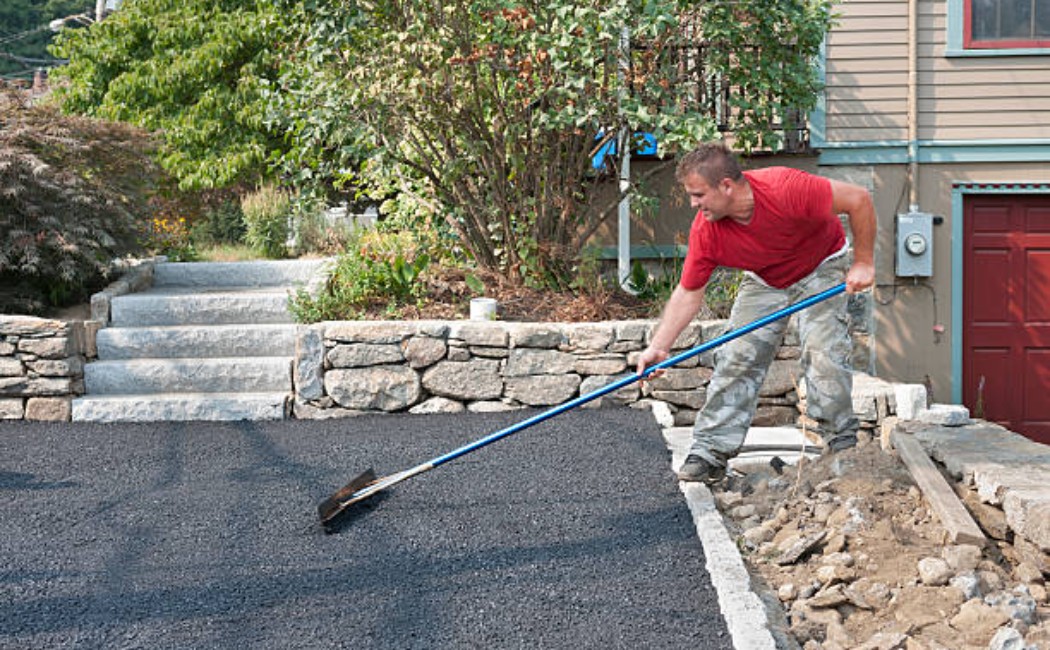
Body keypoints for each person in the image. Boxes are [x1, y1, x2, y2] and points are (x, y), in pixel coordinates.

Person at [635, 142, 876, 484]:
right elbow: (689, 292)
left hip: (821, 265)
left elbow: (859, 199)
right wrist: (659, 346)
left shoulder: (787, 189)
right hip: (765, 278)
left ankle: (840, 442)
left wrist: (864, 262)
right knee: (737, 355)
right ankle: (710, 451)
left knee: (823, 351)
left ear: (727, 186)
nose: (693, 204)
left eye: (698, 194)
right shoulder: (707, 229)